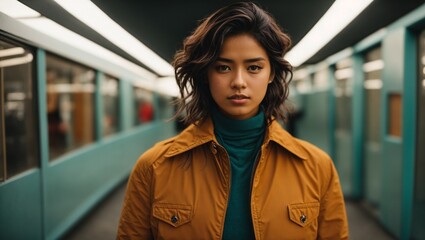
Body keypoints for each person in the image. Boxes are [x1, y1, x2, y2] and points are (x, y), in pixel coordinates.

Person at [117, 2, 349, 239]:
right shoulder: (154, 167)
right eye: (223, 67)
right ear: (206, 74)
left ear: (272, 74)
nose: (239, 81)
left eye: (254, 67)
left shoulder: (317, 168)